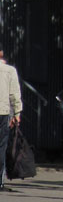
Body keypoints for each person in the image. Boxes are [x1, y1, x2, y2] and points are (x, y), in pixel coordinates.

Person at [0, 47, 22, 192]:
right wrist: (17, 112)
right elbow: (14, 93)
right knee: (1, 145)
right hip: (2, 111)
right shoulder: (9, 70)